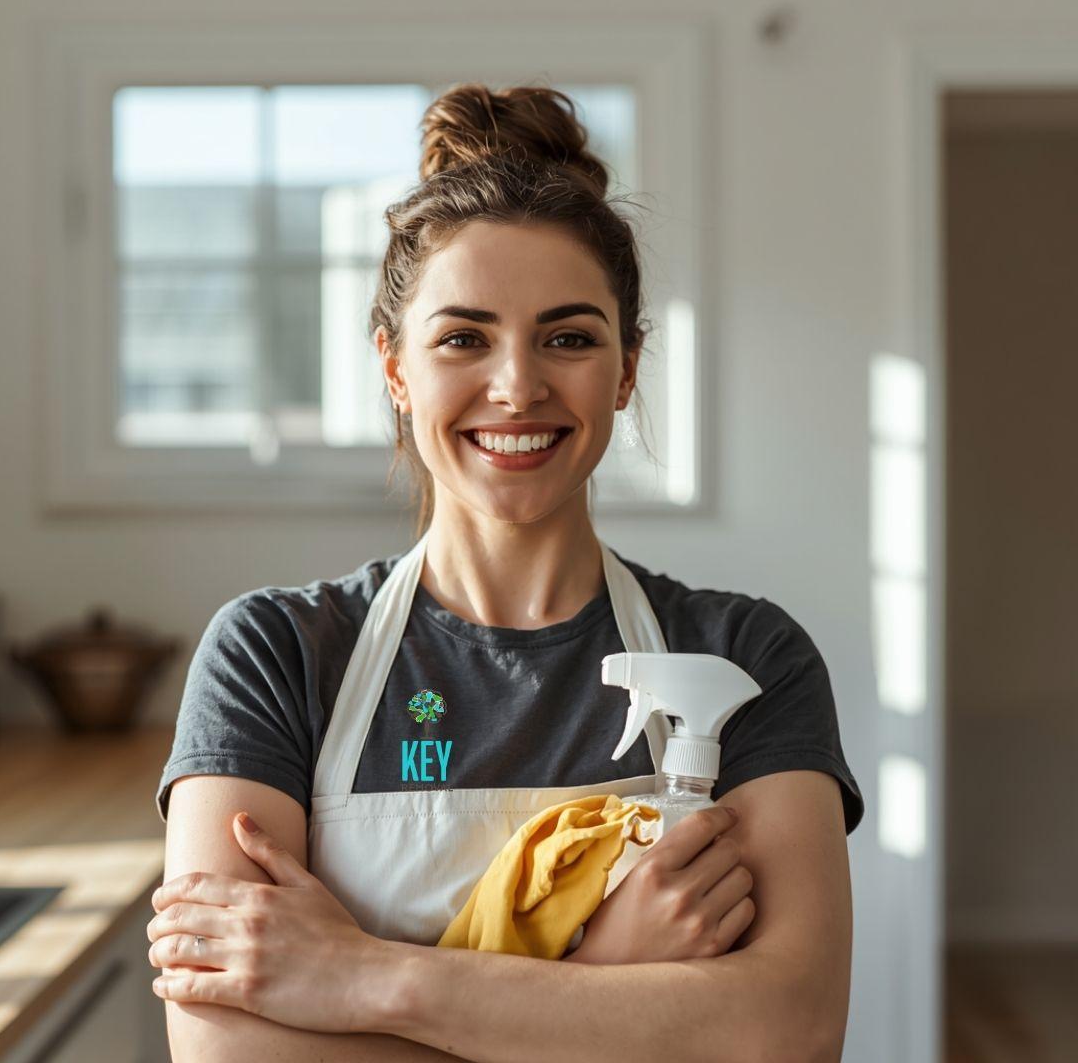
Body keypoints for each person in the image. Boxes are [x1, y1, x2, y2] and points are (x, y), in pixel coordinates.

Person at [148, 83, 865, 1062]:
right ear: (396, 370)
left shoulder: (744, 657)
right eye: (464, 338)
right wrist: (607, 977)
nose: (518, 385)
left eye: (568, 337)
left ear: (626, 369)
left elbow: (789, 1030)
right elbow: (227, 1050)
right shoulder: (276, 655)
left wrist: (359, 975)